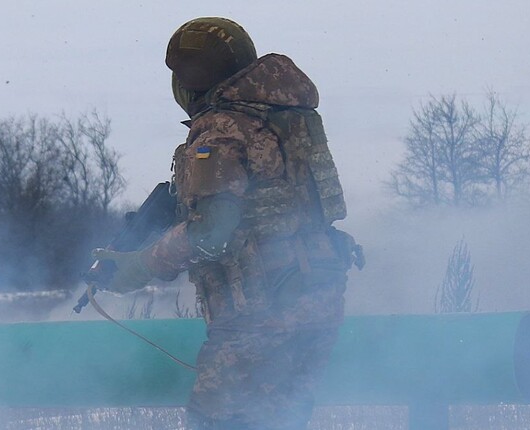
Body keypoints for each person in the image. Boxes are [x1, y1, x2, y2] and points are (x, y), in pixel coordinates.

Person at [93, 17, 362, 430]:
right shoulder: (287, 118)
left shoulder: (221, 128)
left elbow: (212, 234)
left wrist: (142, 264)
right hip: (316, 299)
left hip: (259, 312)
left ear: (190, 77)